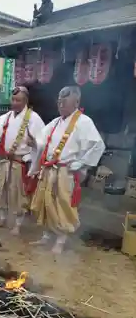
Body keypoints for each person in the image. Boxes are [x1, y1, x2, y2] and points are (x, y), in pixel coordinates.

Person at [29, 86, 105, 254]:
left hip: (66, 171)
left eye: (65, 99)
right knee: (45, 202)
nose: (60, 102)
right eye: (59, 99)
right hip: (49, 169)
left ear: (76, 102)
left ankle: (61, 239)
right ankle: (47, 235)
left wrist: (81, 163)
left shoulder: (84, 121)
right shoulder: (56, 122)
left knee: (62, 203)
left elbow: (98, 145)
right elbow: (41, 141)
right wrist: (33, 143)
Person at [0, 86, 45, 235]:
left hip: (19, 162)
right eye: (13, 99)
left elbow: (43, 142)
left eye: (18, 100)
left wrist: (34, 144)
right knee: (0, 190)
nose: (14, 103)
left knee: (18, 195)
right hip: (4, 160)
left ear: (26, 101)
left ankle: (17, 224)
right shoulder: (7, 117)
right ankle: (2, 218)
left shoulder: (33, 118)